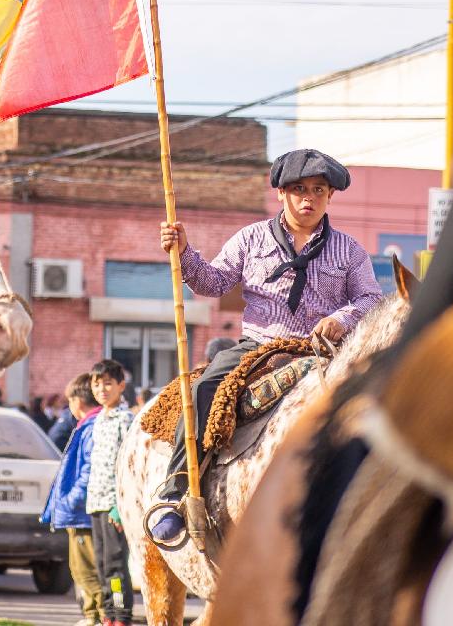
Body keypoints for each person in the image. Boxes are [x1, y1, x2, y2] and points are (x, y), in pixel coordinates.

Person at [151, 147, 382, 543]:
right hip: (259, 347)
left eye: (318, 190)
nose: (308, 198)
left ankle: (373, 497)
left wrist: (341, 319)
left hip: (321, 352)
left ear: (330, 196)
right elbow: (213, 282)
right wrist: (184, 252)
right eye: (298, 189)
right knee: (204, 389)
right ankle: (175, 492)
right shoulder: (250, 238)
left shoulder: (349, 250)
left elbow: (372, 299)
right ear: (280, 193)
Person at [41, 375, 104, 626]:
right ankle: (95, 613)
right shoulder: (89, 425)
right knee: (83, 568)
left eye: (69, 402)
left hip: (82, 513)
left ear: (77, 401)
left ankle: (96, 615)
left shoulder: (91, 426)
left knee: (85, 569)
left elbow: (89, 470)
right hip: (80, 511)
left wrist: (69, 501)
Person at [85, 358, 135, 626]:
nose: (102, 389)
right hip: (95, 503)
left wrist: (120, 505)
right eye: (97, 384)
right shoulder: (98, 420)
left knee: (116, 565)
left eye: (108, 384)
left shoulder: (125, 419)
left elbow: (128, 464)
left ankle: (120, 614)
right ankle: (107, 614)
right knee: (102, 564)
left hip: (114, 506)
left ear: (121, 386)